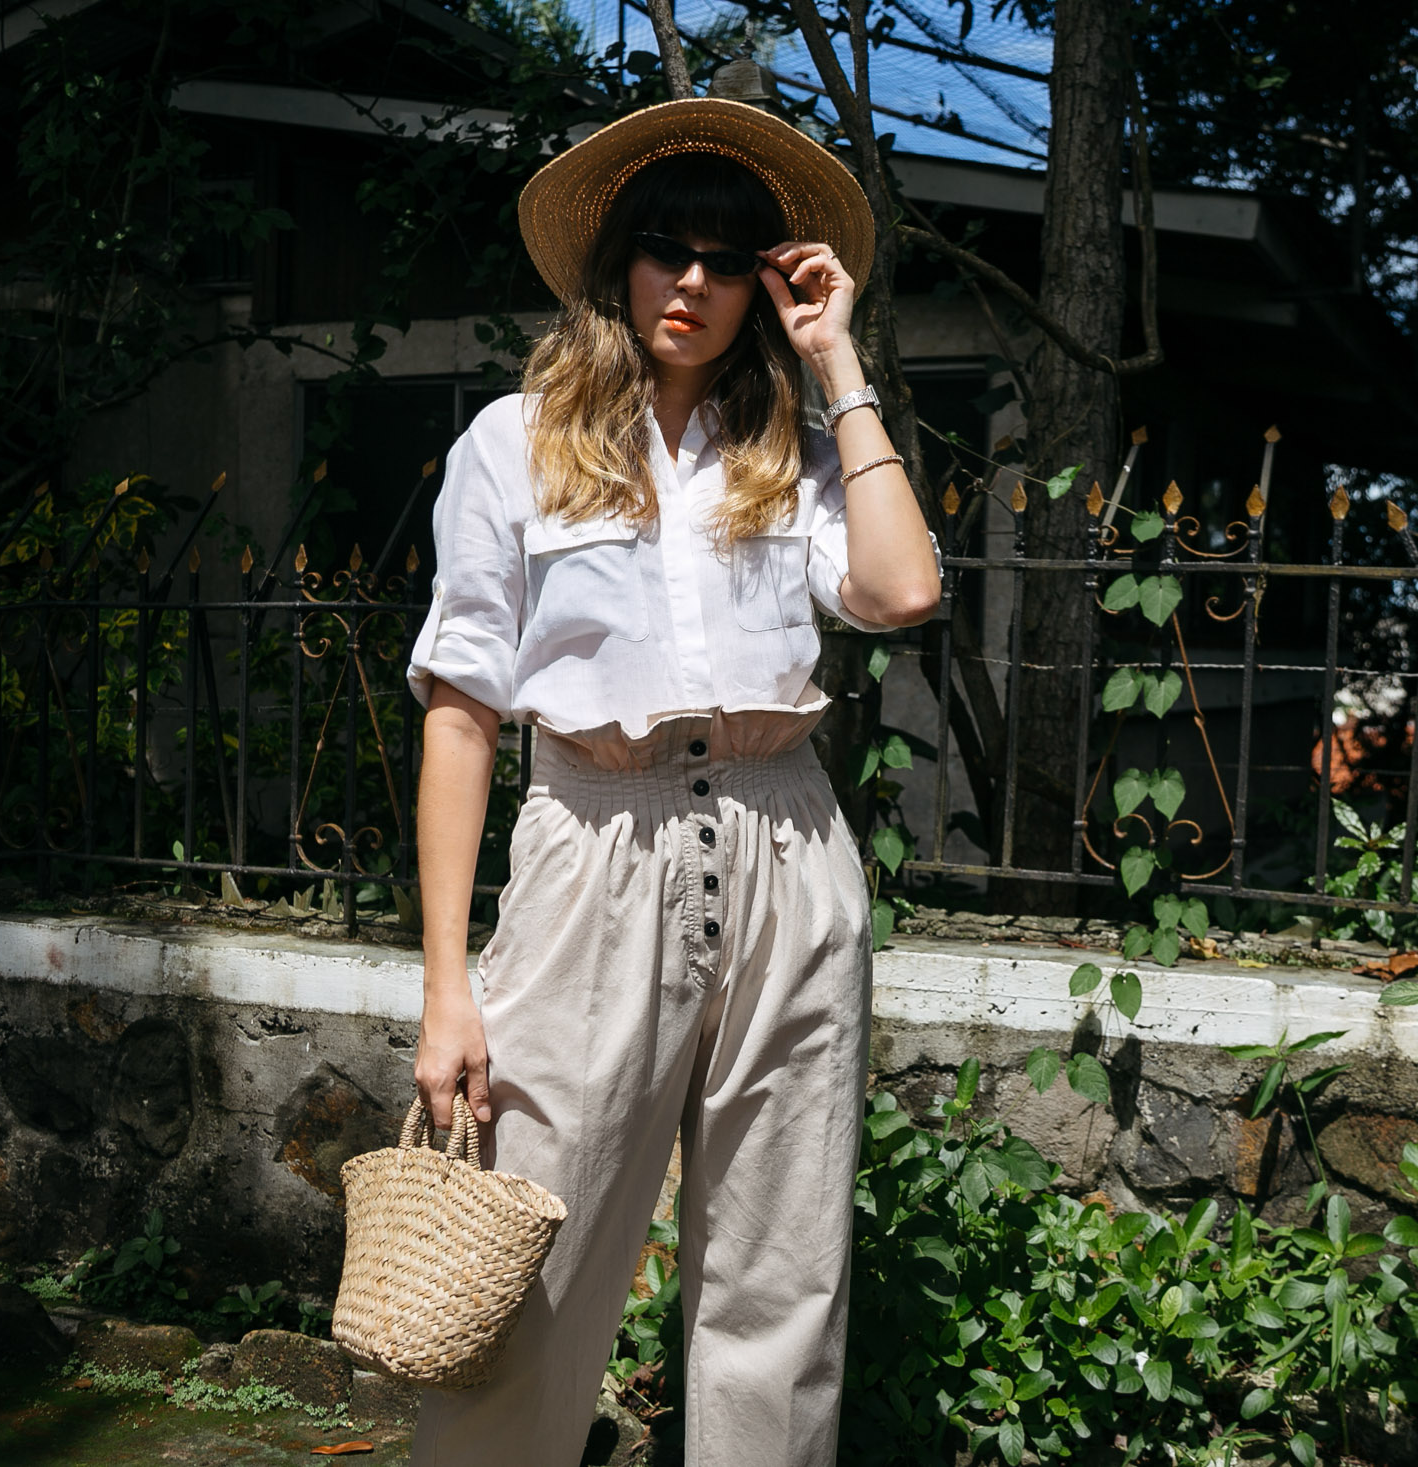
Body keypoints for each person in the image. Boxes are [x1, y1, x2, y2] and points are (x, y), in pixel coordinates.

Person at [402, 98, 941, 1466]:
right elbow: (461, 716)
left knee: (783, 1272)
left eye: (728, 255)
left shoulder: (798, 456)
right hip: (595, 842)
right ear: (615, 265)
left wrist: (837, 359)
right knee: (530, 1254)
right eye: (664, 249)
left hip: (787, 848)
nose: (691, 282)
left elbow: (902, 587)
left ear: (767, 279)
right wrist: (447, 987)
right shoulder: (512, 446)